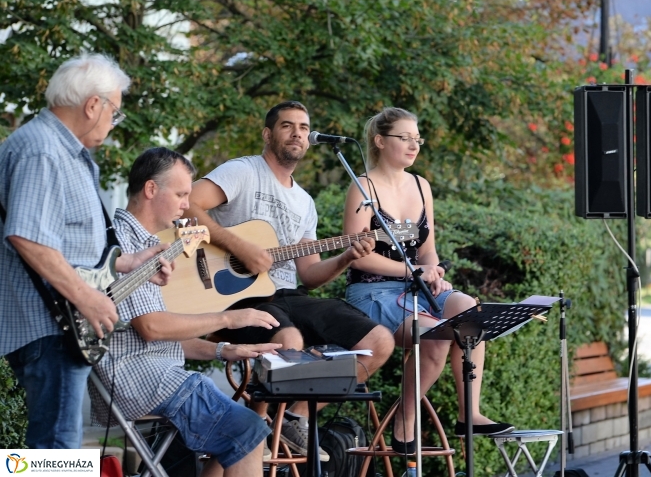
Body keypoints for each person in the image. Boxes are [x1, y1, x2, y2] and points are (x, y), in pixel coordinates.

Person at [185, 100, 394, 459]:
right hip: (234, 294)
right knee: (289, 338)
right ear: (268, 134)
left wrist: (346, 256)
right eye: (287, 126)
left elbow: (309, 275)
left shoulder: (304, 202)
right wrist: (240, 247)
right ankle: (256, 428)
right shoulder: (243, 171)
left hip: (289, 295)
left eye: (303, 127)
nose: (297, 132)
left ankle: (293, 419)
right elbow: (187, 203)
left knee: (380, 341)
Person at [0, 54, 173, 449]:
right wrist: (88, 299)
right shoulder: (43, 150)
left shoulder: (63, 151)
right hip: (51, 322)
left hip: (57, 321)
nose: (114, 122)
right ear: (93, 105)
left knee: (59, 447)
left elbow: (66, 245)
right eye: (115, 112)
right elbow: (27, 237)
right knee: (56, 450)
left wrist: (128, 262)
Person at [90, 147, 283, 475]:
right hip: (134, 378)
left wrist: (224, 348)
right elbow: (152, 328)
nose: (185, 204)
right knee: (248, 431)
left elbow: (159, 336)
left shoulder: (145, 240)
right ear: (151, 190)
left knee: (238, 434)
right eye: (181, 194)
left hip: (146, 373)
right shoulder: (127, 243)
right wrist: (229, 318)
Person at [342, 107, 513, 454]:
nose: (413, 145)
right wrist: (412, 272)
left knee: (467, 309)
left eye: (417, 138)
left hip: (414, 289)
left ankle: (470, 413)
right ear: (379, 140)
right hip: (372, 292)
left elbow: (427, 249)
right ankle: (404, 419)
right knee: (433, 336)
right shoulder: (363, 187)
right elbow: (356, 252)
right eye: (404, 138)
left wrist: (432, 273)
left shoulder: (421, 186)